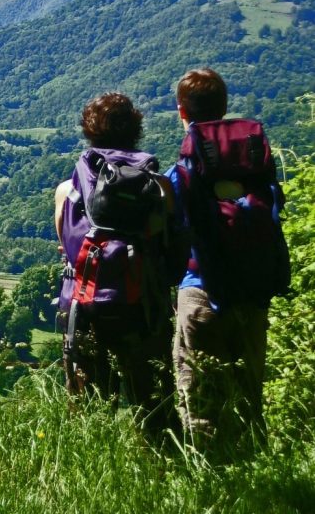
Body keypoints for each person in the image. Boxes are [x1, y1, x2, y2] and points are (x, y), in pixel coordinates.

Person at [166, 68, 288, 454]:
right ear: (224, 106)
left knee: (198, 401)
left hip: (201, 292)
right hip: (253, 296)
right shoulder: (254, 162)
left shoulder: (184, 170)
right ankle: (259, 480)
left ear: (182, 110)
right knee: (249, 399)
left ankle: (206, 486)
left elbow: (168, 229)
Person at [55, 93, 184, 438]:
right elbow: (169, 248)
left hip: (84, 307)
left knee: (89, 411)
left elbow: (67, 251)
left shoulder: (68, 190)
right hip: (142, 308)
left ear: (89, 131)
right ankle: (163, 474)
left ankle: (89, 474)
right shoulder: (158, 188)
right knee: (154, 407)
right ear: (136, 130)